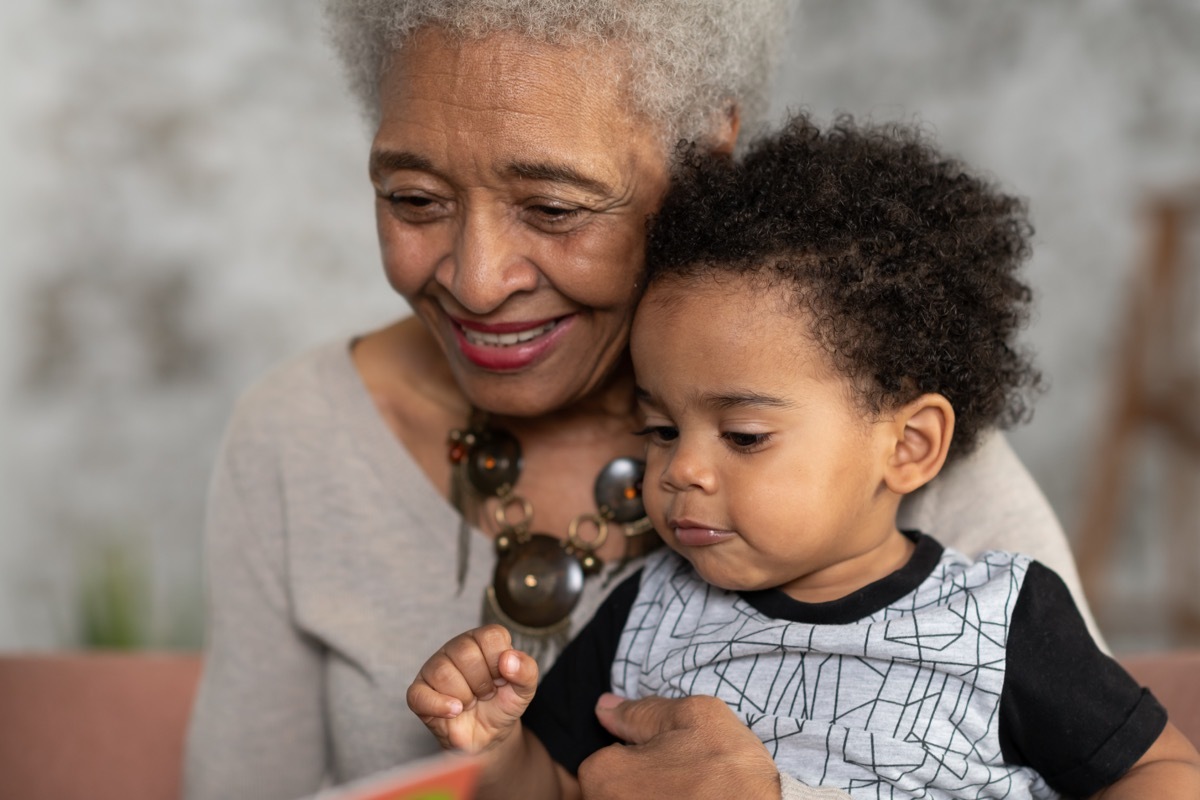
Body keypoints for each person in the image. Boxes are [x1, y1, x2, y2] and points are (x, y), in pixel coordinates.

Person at [183, 2, 1103, 798]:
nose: (475, 280)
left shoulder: (872, 429)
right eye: (415, 199)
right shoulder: (297, 434)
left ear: (705, 156)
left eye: (553, 209)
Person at [406, 114, 1200, 799]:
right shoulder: (645, 612)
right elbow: (558, 784)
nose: (682, 469)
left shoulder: (999, 621)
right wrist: (497, 749)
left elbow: (1167, 773)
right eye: (660, 430)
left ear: (909, 445)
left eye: (745, 436)